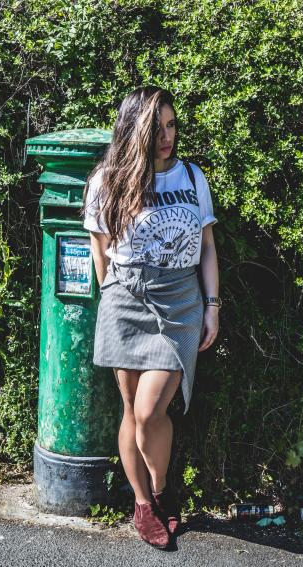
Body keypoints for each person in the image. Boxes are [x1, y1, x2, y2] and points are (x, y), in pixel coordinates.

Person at [81, 85, 221, 549]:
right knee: (129, 409)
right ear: (133, 130)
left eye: (172, 125)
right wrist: (111, 292)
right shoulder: (108, 179)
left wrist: (212, 305)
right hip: (126, 299)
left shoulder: (191, 176)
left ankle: (162, 488)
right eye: (156, 127)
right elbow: (99, 246)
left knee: (150, 409)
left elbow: (206, 248)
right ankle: (144, 503)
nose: (167, 136)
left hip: (181, 301)